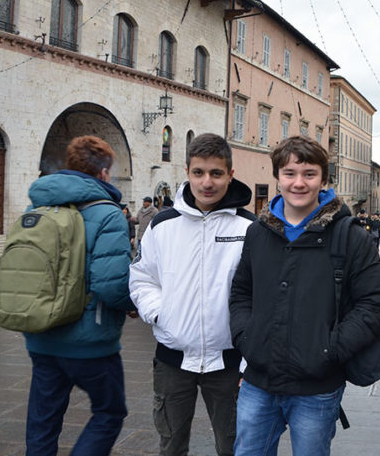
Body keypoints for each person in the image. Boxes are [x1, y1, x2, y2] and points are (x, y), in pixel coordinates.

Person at [229, 136, 380, 456]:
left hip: (317, 387)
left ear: (323, 179)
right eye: (290, 173)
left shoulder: (349, 236)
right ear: (277, 177)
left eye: (309, 174)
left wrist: (331, 349)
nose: (298, 183)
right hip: (258, 382)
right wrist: (246, 337)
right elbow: (241, 292)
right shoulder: (257, 232)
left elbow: (378, 301)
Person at [129, 133, 256, 456]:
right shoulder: (163, 224)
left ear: (230, 174)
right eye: (199, 172)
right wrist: (160, 312)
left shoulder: (249, 229)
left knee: (234, 447)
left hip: (229, 362)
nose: (207, 182)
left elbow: (262, 292)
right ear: (187, 172)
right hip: (173, 360)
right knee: (171, 446)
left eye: (216, 173)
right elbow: (142, 278)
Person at [22, 135, 134, 456]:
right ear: (102, 173)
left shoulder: (37, 206)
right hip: (90, 341)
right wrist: (132, 304)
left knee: (43, 420)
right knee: (109, 412)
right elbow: (111, 285)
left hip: (41, 333)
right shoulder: (108, 213)